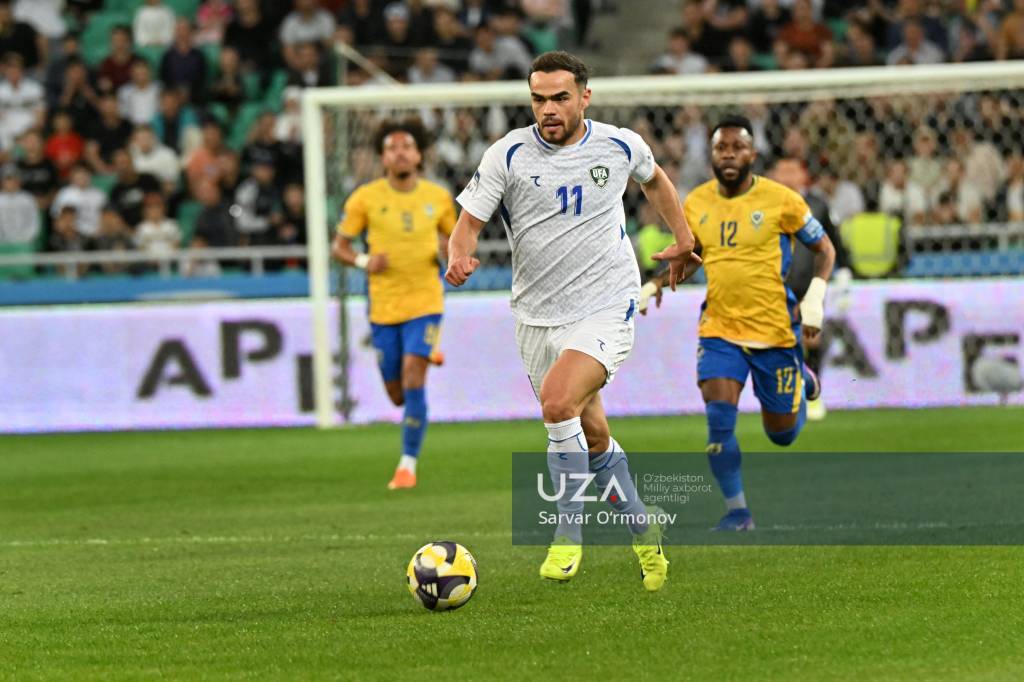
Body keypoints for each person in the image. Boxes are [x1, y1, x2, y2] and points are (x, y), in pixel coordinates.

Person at [445, 51, 699, 591]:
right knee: (591, 430)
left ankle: (567, 532)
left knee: (558, 403)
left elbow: (655, 181)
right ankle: (642, 527)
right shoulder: (507, 154)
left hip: (607, 301)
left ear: (585, 96)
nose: (548, 109)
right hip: (537, 316)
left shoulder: (619, 144)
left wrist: (683, 239)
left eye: (560, 98)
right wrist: (459, 254)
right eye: (539, 99)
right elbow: (467, 223)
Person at [639, 116, 835, 532]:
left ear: (753, 154)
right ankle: (738, 511)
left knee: (781, 434)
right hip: (720, 329)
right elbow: (689, 258)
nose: (728, 154)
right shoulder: (695, 203)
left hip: (775, 330)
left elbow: (825, 250)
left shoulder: (782, 200)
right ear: (711, 156)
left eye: (737, 147)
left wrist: (816, 294)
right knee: (718, 422)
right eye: (720, 148)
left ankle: (801, 379)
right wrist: (656, 283)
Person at [331, 119, 456, 492]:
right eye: (391, 148)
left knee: (414, 377)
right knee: (397, 393)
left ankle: (407, 465)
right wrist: (363, 262)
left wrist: (448, 253)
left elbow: (456, 241)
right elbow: (339, 247)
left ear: (418, 155)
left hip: (425, 300)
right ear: (383, 157)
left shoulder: (438, 198)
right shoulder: (365, 198)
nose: (399, 152)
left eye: (406, 146)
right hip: (384, 307)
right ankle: (424, 353)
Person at [770, 157, 850, 422]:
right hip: (773, 285)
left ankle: (812, 394)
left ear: (803, 175)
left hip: (809, 285)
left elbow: (834, 240)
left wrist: (845, 271)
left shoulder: (817, 205)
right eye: (782, 171)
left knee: (810, 337)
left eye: (792, 171)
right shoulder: (764, 204)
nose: (786, 176)